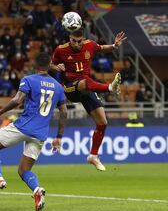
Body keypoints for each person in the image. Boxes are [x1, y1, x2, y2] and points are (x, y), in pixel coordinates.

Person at [0, 52, 67, 211]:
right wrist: (59, 137)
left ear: (36, 65)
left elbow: (17, 100)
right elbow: (64, 112)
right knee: (24, 170)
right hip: (41, 133)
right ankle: (37, 190)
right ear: (50, 65)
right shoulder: (58, 87)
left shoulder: (29, 79)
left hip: (24, 126)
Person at [49, 28, 127, 171]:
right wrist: (57, 67)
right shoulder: (61, 49)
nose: (77, 44)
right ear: (69, 38)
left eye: (79, 41)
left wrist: (115, 45)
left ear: (83, 39)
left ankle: (93, 156)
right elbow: (50, 64)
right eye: (74, 41)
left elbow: (103, 48)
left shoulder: (89, 45)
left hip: (86, 87)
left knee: (102, 122)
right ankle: (110, 88)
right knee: (85, 82)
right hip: (70, 88)